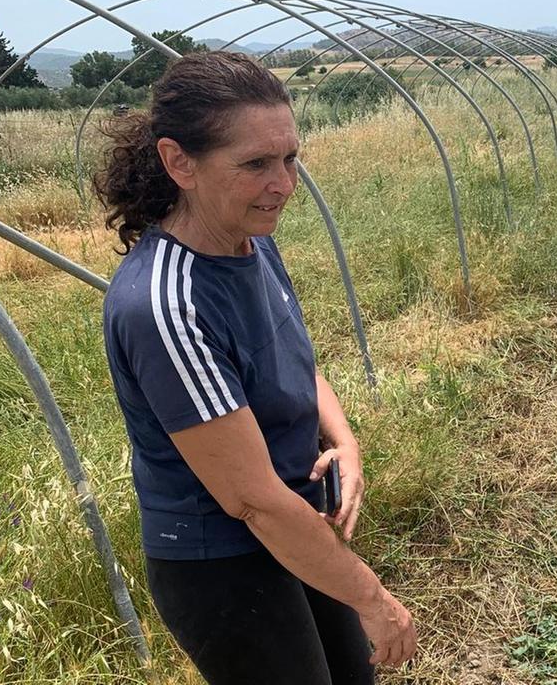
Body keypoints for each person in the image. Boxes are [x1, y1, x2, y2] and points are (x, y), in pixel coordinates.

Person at [93, 51, 416, 684]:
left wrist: (343, 440)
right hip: (224, 561)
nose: (285, 184)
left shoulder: (253, 243)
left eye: (290, 158)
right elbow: (251, 500)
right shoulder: (164, 305)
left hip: (298, 523)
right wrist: (374, 599)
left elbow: (292, 359)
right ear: (178, 162)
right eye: (256, 164)